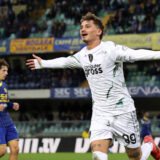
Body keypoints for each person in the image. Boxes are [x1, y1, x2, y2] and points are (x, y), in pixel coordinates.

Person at [26, 12, 160, 160]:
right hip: (100, 114)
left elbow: (136, 54)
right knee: (97, 156)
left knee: (136, 158)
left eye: (87, 26)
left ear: (99, 31)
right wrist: (43, 63)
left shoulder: (110, 49)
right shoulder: (82, 55)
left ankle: (149, 145)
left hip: (123, 112)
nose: (82, 29)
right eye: (81, 26)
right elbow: (64, 61)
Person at [0, 59, 19, 160]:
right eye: (4, 70)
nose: (6, 73)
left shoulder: (4, 85)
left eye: (7, 71)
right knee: (2, 151)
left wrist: (12, 105)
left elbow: (5, 102)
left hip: (7, 121)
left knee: (15, 149)